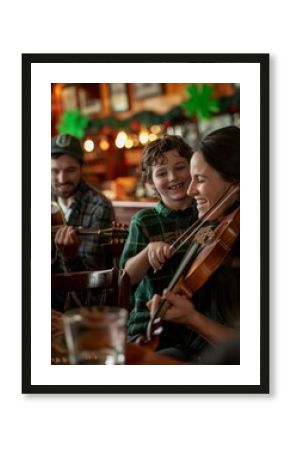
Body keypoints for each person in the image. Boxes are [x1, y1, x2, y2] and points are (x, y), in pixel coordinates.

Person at [147, 125, 240, 363]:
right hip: (191, 348)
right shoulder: (217, 228)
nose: (190, 189)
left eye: (199, 179)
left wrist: (192, 319)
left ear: (236, 183)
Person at [120, 135, 198, 344]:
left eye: (180, 167)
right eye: (161, 173)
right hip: (152, 323)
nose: (173, 177)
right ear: (150, 183)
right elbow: (127, 278)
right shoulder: (144, 221)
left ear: (193, 168)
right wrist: (147, 252)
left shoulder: (206, 212)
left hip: (196, 322)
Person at [51, 133, 115, 310]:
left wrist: (70, 256)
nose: (62, 179)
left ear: (81, 167)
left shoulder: (100, 207)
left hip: (78, 304)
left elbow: (91, 286)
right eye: (55, 171)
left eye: (70, 170)